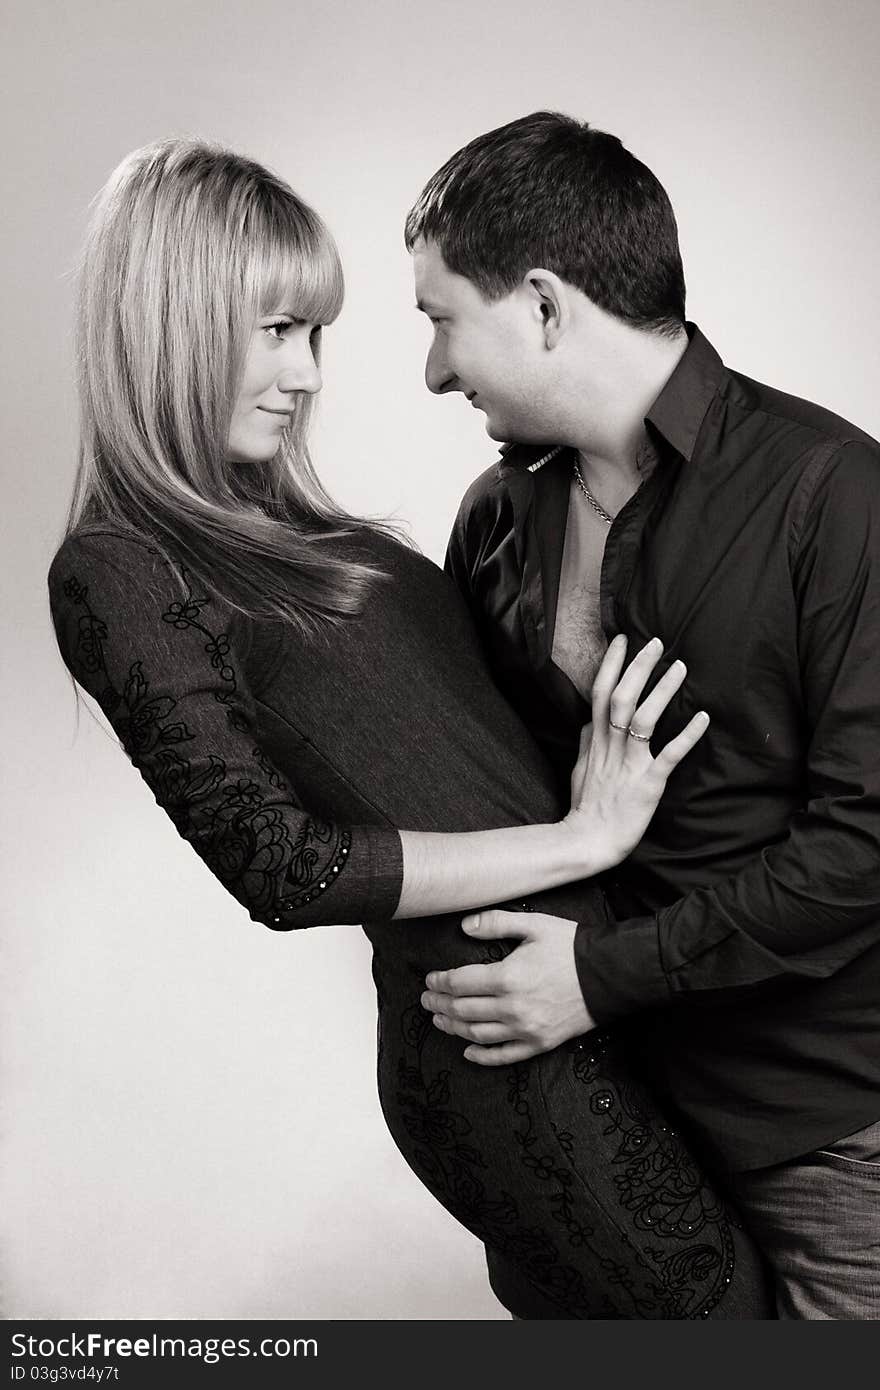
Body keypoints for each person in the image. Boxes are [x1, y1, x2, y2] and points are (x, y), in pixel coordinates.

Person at [47, 139, 773, 1320]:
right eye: (275, 330)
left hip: (594, 994)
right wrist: (580, 845)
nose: (307, 373)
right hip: (501, 1048)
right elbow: (282, 866)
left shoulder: (303, 529)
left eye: (314, 335)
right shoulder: (115, 566)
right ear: (170, 326)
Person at [406, 111, 880, 1320]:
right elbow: (488, 797)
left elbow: (862, 852)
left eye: (441, 320)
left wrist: (600, 978)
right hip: (594, 1112)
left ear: (545, 305)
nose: (434, 371)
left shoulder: (835, 495)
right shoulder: (491, 523)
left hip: (819, 1136)